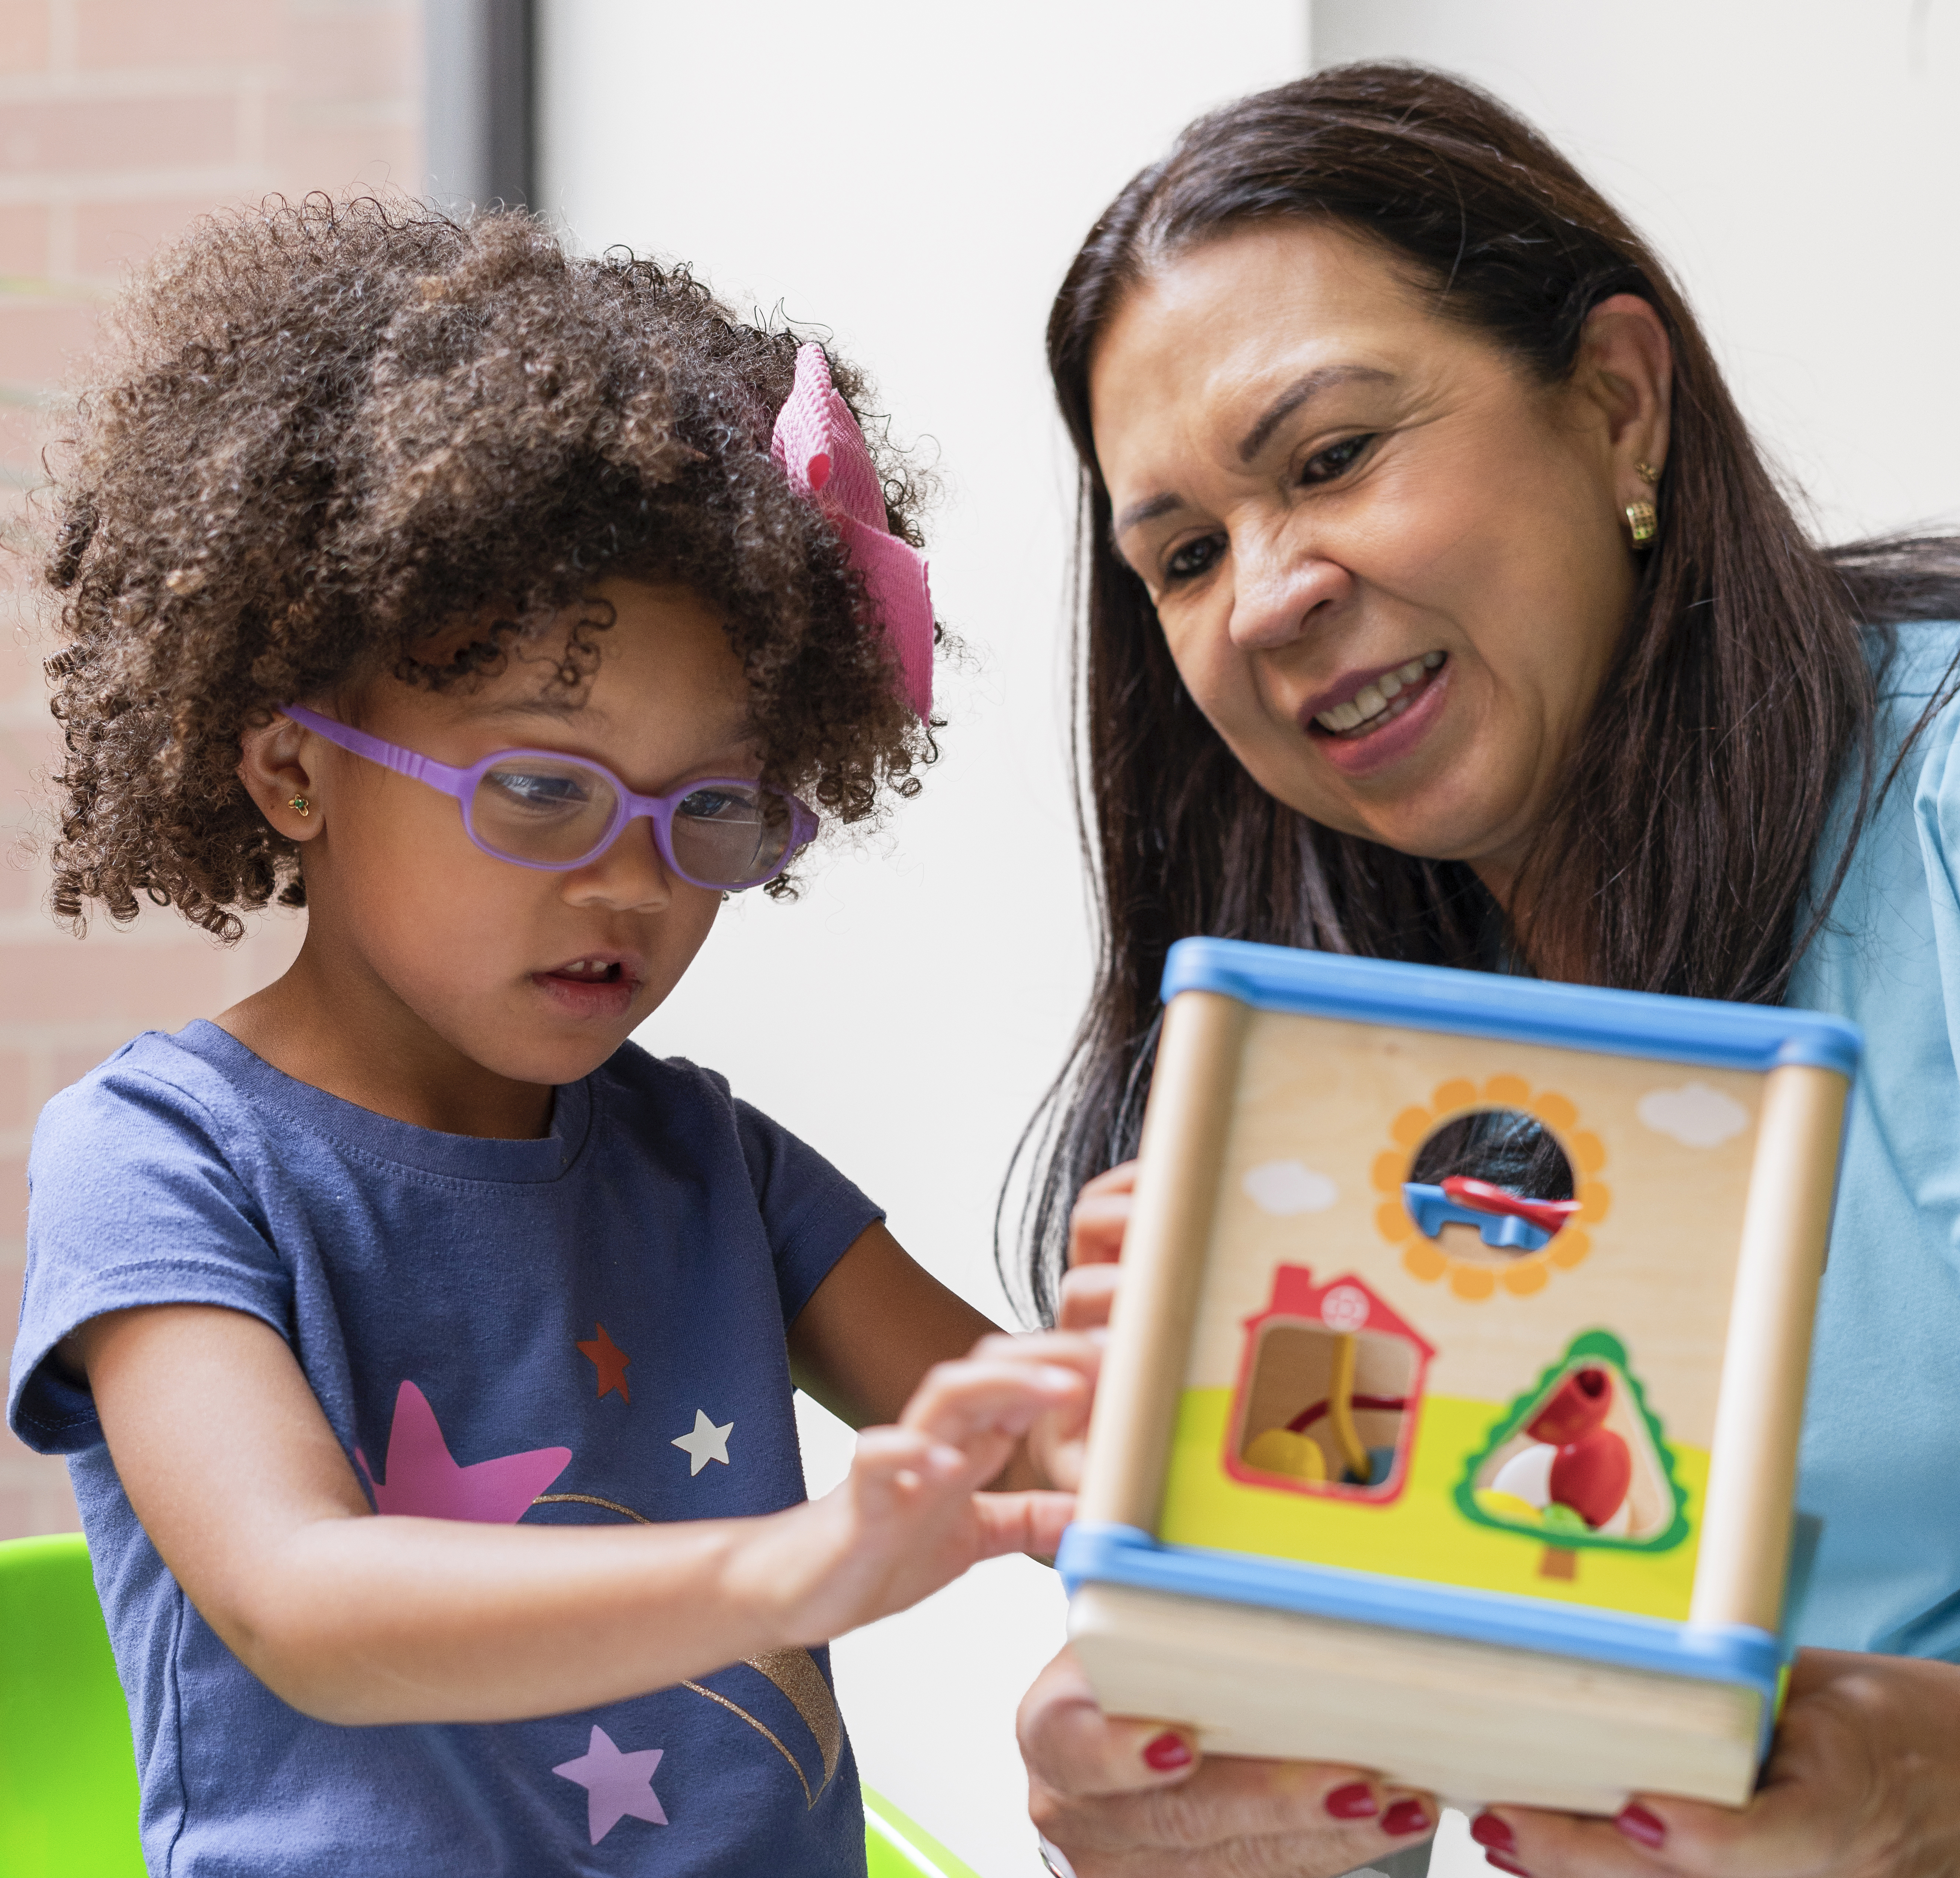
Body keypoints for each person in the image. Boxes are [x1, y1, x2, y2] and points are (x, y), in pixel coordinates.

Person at [6, 198, 1103, 1877]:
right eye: (539, 786)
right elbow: (304, 1598)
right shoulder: (164, 1159)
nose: (634, 880)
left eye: (714, 805)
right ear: (290, 765)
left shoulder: (712, 1166)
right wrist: (782, 1567)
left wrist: (1187, 1428)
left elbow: (1031, 1443)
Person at [1010, 62, 1960, 1878]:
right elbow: (1360, 1789)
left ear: (1616, 405)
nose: (1270, 593)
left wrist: (1934, 1788)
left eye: (1335, 456)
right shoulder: (1270, 1087)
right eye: (1187, 555)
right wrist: (1179, 1814)